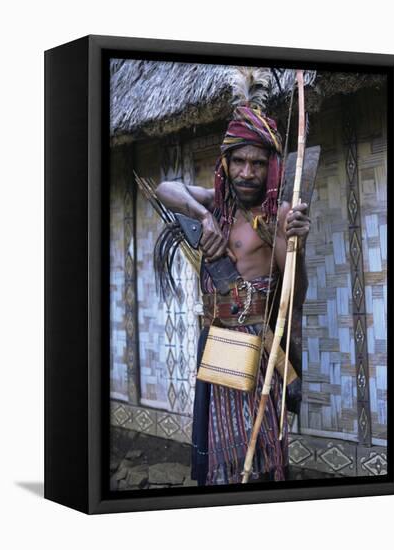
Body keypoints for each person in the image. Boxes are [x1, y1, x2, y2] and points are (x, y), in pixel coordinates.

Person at [156, 105, 311, 485]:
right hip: (215, 338)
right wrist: (203, 215)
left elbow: (295, 295)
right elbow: (164, 188)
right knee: (219, 443)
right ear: (224, 163)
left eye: (257, 163)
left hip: (256, 345)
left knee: (258, 442)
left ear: (270, 166)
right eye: (238, 160)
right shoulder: (217, 205)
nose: (246, 172)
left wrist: (296, 247)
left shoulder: (277, 214)